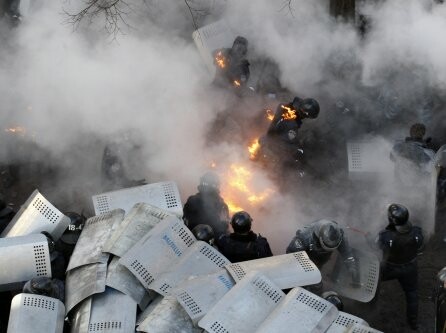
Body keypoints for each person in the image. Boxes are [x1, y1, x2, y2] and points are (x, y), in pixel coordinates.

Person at [373, 203, 424, 330]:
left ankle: (368, 307)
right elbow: (420, 245)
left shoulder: (385, 236)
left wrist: (368, 237)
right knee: (412, 294)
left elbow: (375, 247)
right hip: (410, 268)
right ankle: (413, 323)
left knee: (374, 283)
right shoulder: (417, 232)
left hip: (390, 268)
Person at [286, 219, 360, 287]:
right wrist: (309, 272)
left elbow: (346, 252)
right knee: (311, 284)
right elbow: (291, 253)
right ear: (319, 238)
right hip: (306, 255)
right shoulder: (304, 236)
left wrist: (351, 266)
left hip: (322, 258)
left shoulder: (339, 235)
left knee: (317, 276)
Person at [183, 172, 230, 238]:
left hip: (188, 239)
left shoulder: (192, 200)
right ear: (217, 186)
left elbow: (184, 219)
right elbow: (223, 230)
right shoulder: (222, 206)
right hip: (211, 245)